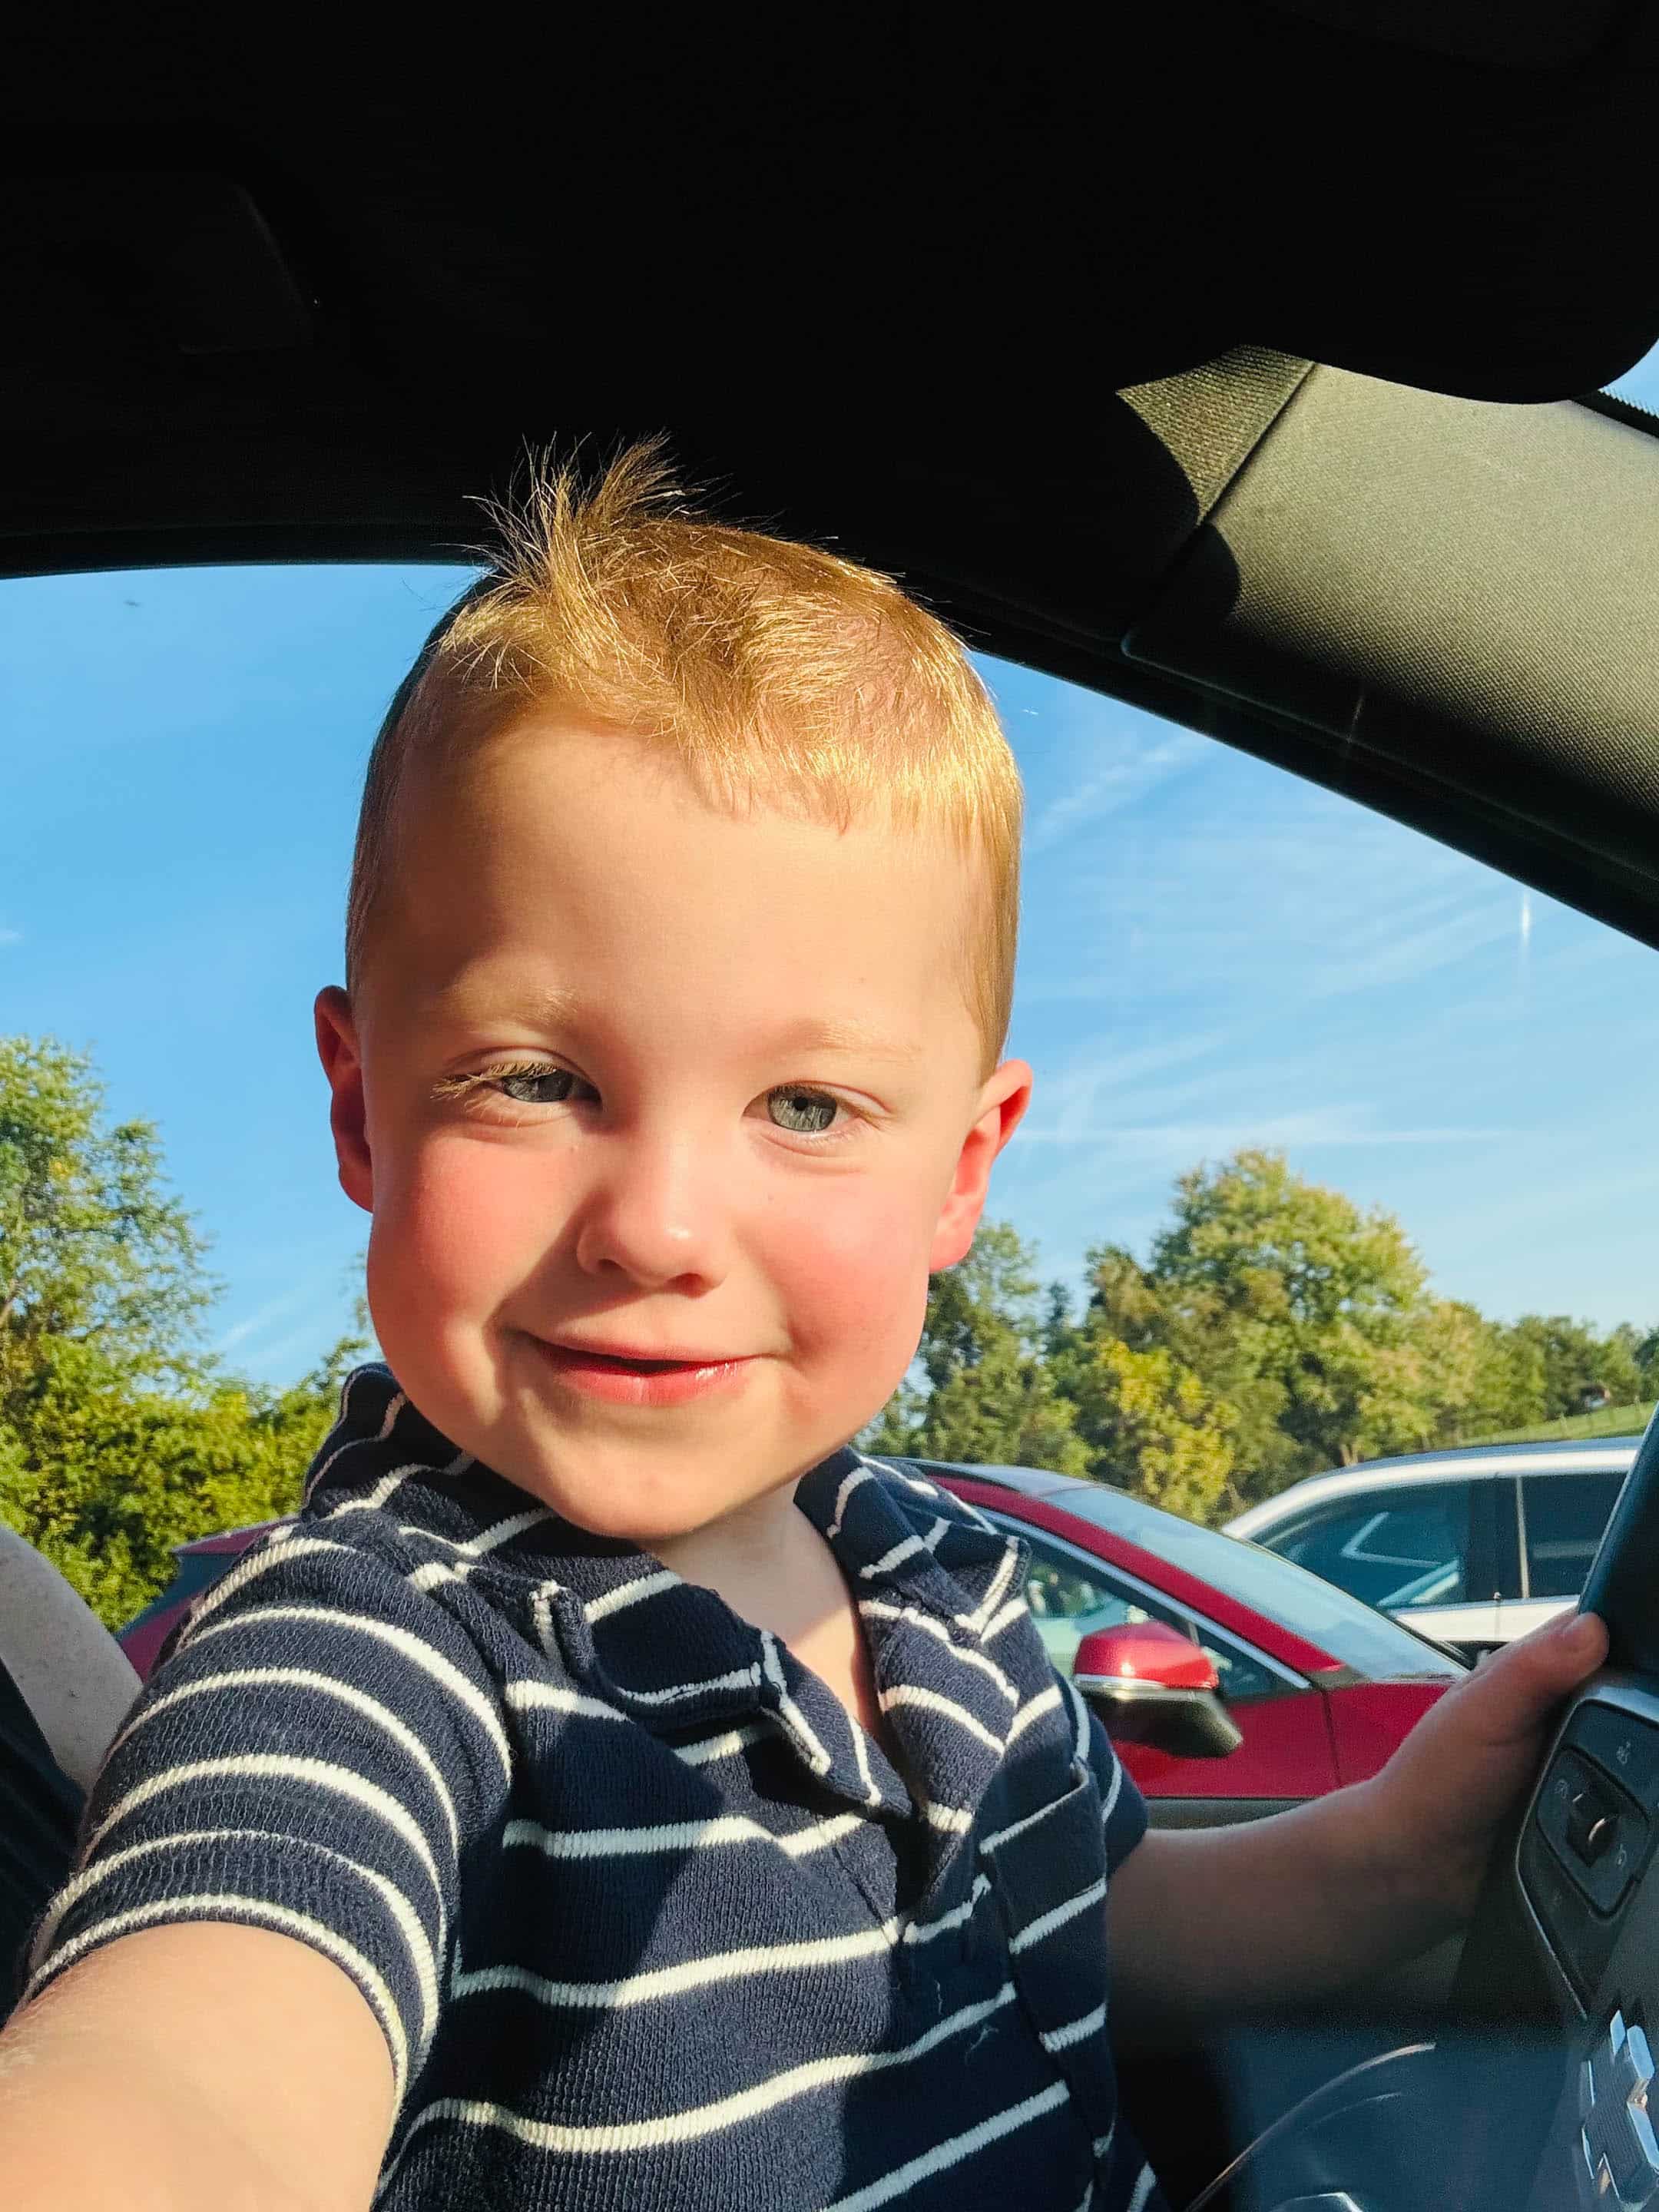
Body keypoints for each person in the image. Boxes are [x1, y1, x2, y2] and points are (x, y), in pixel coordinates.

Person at [0, 446, 1607, 2211]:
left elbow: (1096, 1932)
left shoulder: (935, 1574)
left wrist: (1395, 1857)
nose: (658, 1226)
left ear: (963, 1169)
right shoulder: (370, 1657)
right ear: (361, 1109)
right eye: (535, 1081)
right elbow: (188, 2066)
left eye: (808, 1108)